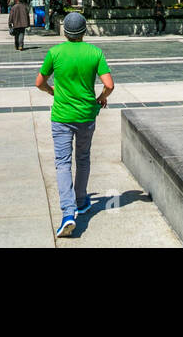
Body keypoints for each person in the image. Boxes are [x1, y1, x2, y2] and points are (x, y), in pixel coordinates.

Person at [36, 12, 114, 238]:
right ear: (84, 31)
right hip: (87, 115)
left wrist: (52, 91)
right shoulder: (95, 52)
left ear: (65, 31)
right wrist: (101, 98)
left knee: (62, 163)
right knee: (83, 158)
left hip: (61, 116)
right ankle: (81, 201)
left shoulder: (55, 52)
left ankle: (68, 213)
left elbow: (39, 82)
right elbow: (109, 84)